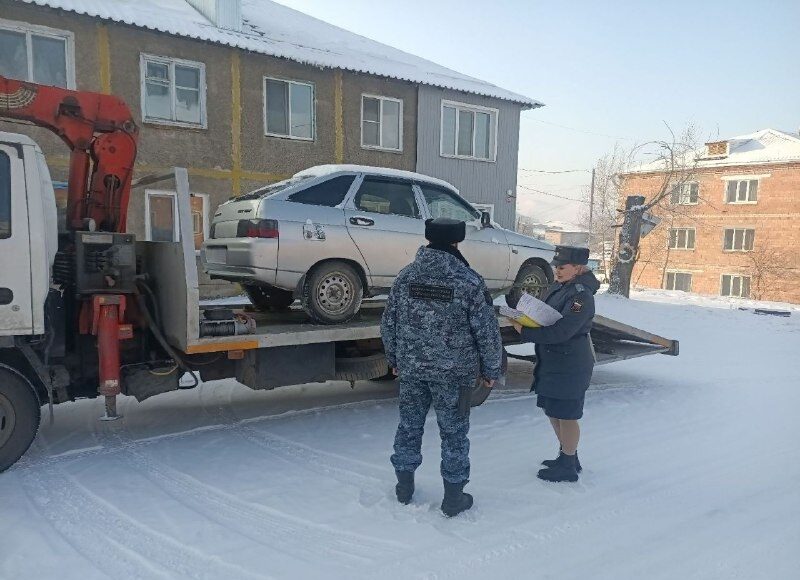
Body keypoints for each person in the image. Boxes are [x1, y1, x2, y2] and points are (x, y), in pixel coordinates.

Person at [381, 217, 502, 517]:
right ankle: (453, 497)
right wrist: (491, 370)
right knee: (454, 434)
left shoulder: (405, 277)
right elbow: (486, 332)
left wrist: (394, 359)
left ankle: (404, 488)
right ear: (456, 242)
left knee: (409, 427)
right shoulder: (468, 281)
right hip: (454, 374)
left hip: (411, 370)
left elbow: (388, 323)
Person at [512, 245, 600, 483]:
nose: (556, 270)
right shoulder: (563, 287)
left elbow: (563, 331)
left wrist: (527, 333)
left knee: (567, 415)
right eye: (556, 266)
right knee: (554, 411)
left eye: (562, 267)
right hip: (554, 361)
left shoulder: (581, 296)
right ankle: (567, 455)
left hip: (570, 363)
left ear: (578, 268)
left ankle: (569, 466)